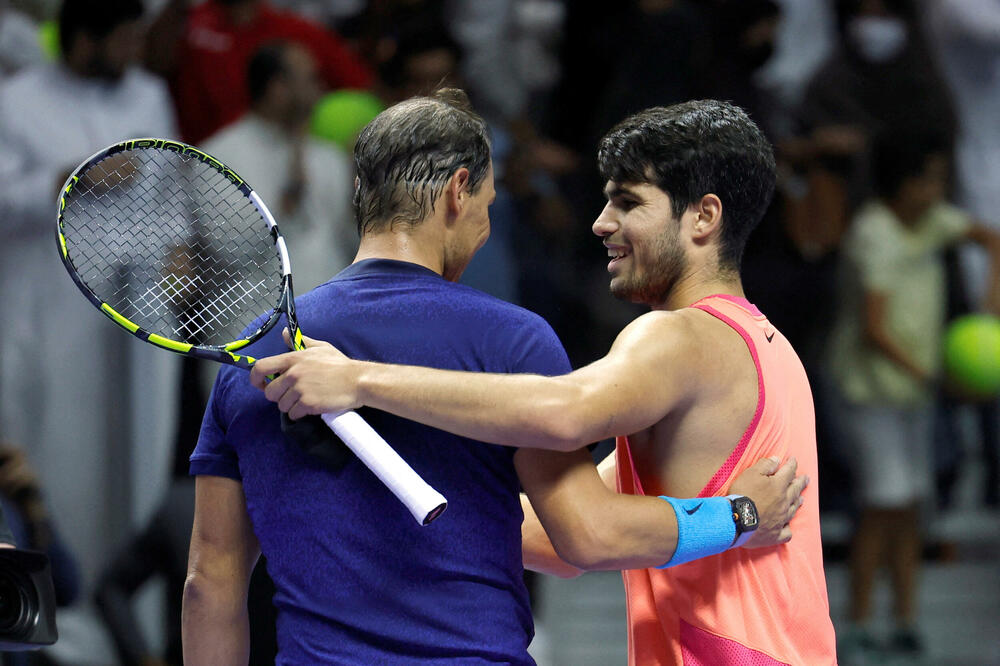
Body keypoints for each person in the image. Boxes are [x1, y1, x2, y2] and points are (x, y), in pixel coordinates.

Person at [187, 90, 806, 664]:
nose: (600, 224)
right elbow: (582, 534)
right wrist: (739, 515)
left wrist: (359, 383)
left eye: (627, 202)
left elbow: (207, 584)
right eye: (488, 208)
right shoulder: (516, 341)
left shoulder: (259, 356)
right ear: (459, 192)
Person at [0, 0, 179, 587]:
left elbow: (174, 187)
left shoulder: (148, 95)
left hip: (142, 308)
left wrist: (180, 248)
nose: (135, 53)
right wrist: (68, 179)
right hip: (50, 313)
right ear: (83, 41)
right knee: (64, 455)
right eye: (124, 40)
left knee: (141, 460)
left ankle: (131, 609)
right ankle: (58, 604)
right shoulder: (16, 101)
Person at [826, 128, 1000, 658]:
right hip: (869, 394)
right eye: (928, 182)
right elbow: (875, 329)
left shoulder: (933, 220)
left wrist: (989, 306)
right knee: (881, 507)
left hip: (912, 397)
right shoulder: (873, 234)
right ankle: (857, 625)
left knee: (910, 510)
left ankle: (904, 620)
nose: (936, 192)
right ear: (900, 184)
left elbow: (989, 238)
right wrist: (939, 378)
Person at [203, 40, 356, 294]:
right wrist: (288, 199)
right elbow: (229, 251)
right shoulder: (220, 157)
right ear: (278, 88)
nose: (321, 88)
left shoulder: (329, 157)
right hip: (257, 314)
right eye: (311, 79)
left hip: (331, 307)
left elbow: (352, 243)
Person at [146, 0, 374, 145]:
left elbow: (364, 88)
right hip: (196, 162)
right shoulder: (187, 22)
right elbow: (151, 67)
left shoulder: (294, 31)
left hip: (275, 158)